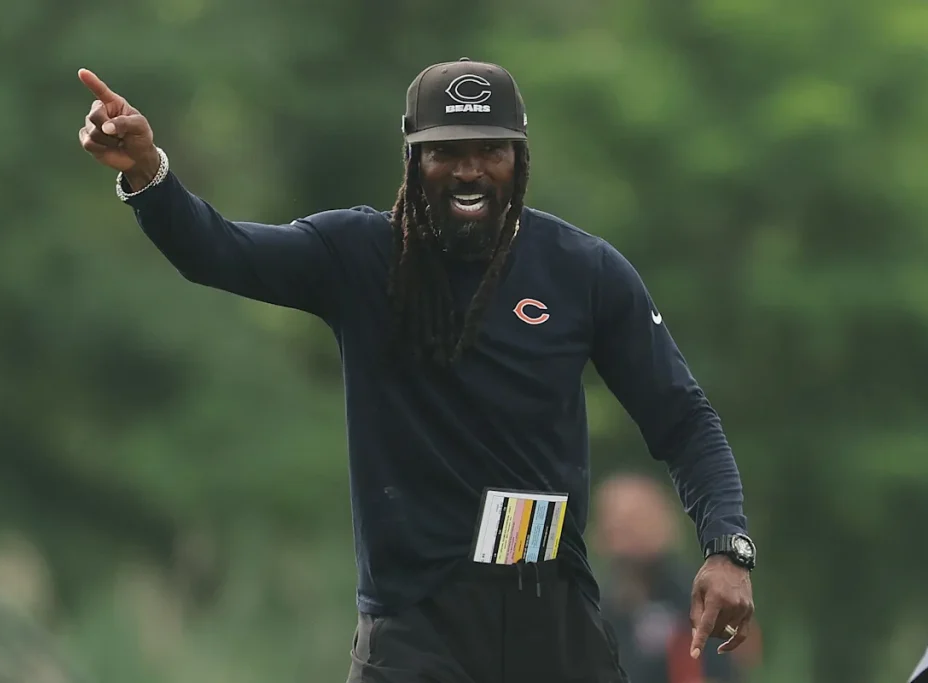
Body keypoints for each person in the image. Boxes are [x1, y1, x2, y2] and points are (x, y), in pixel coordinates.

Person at [77, 58, 756, 683]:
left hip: (548, 612)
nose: (469, 171)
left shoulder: (585, 271)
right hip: (414, 626)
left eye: (490, 151)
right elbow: (218, 250)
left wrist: (727, 545)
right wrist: (148, 173)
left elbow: (683, 419)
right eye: (445, 152)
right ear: (413, 159)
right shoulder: (359, 255)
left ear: (519, 160)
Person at [594, 473, 759, 683]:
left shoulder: (702, 598)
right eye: (618, 525)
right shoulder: (593, 609)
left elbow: (724, 671)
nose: (629, 535)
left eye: (638, 520)